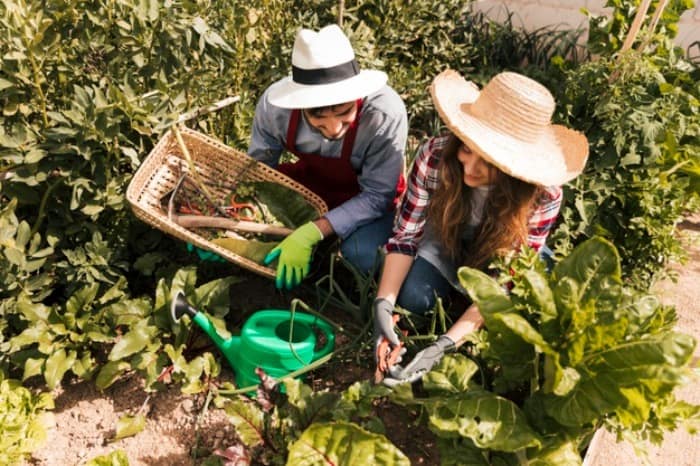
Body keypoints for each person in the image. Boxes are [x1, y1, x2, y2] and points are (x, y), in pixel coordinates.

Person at [372, 69, 588, 385]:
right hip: (448, 238)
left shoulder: (543, 195)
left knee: (530, 308)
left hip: (499, 254)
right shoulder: (435, 156)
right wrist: (383, 303)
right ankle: (449, 296)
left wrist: (445, 345)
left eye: (488, 163)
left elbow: (505, 281)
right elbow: (406, 236)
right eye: (467, 149)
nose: (470, 169)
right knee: (413, 298)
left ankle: (464, 312)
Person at [246, 24, 408, 290]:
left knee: (363, 256)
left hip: (366, 197)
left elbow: (379, 195)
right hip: (312, 183)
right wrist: (234, 219)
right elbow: (260, 171)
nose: (333, 128)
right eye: (317, 117)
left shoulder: (384, 114)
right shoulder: (274, 109)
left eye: (344, 112)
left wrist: (315, 230)